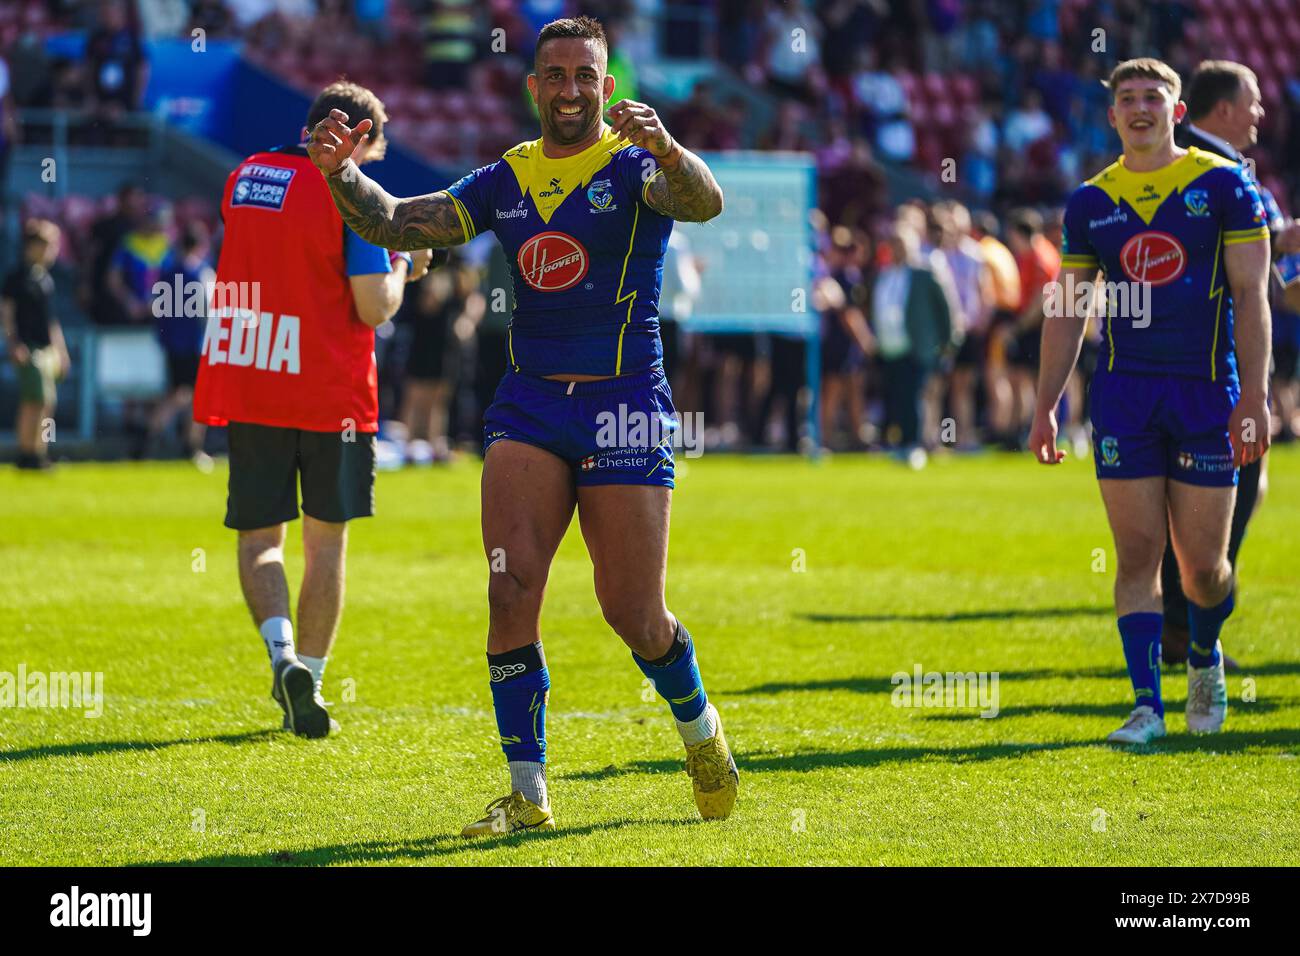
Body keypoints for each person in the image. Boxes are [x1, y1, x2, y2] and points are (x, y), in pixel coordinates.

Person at [309, 15, 736, 835]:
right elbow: (400, 221)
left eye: (586, 77)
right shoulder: (508, 178)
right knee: (510, 589)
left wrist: (673, 149)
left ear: (607, 89)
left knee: (635, 615)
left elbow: (705, 204)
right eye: (557, 76)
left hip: (625, 408)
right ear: (533, 86)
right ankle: (527, 790)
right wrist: (340, 176)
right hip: (530, 407)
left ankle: (701, 731)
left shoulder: (639, 165)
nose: (571, 90)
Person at [1030, 58, 1272, 745]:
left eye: (1152, 97)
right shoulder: (1089, 203)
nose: (1139, 108)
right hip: (1125, 396)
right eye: (1126, 98)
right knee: (1136, 555)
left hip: (1205, 393)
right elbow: (1068, 309)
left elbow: (1253, 299)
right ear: (1111, 116)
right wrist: (1046, 404)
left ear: (1177, 110)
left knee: (1203, 567)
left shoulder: (1222, 185)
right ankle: (1146, 706)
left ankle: (1203, 657)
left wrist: (1254, 392)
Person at [194, 81, 433, 739]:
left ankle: (280, 655)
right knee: (325, 543)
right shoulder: (347, 196)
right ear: (359, 139)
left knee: (260, 540)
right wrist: (406, 265)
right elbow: (371, 306)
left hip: (254, 377)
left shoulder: (244, 175)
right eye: (373, 155)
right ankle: (314, 678)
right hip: (333, 392)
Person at [1158, 60, 1300, 667]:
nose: (1262, 113)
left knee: (1244, 483)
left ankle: (1188, 617)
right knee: (1214, 489)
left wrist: (1281, 242)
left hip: (1227, 357)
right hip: (1209, 363)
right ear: (1221, 109)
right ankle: (1189, 621)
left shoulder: (1231, 171)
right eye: (1253, 101)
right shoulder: (1209, 169)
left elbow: (1281, 284)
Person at [870, 221, 954, 462]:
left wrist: (948, 342)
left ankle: (914, 444)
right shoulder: (884, 275)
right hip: (889, 348)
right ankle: (900, 442)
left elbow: (945, 308)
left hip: (916, 347)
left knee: (914, 396)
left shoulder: (924, 273)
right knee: (896, 396)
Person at [2, 220, 70, 470]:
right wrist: (14, 342)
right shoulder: (17, 277)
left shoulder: (45, 279)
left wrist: (60, 350)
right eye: (48, 245)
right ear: (32, 246)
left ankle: (38, 452)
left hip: (46, 348)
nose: (52, 251)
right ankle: (26, 452)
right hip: (28, 346)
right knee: (34, 399)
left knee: (45, 401)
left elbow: (51, 320)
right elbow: (7, 314)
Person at [149, 220, 214, 466]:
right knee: (195, 397)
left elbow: (157, 307)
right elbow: (212, 310)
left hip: (171, 344)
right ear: (201, 246)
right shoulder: (203, 273)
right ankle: (192, 447)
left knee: (177, 392)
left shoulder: (167, 271)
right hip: (195, 345)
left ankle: (151, 437)